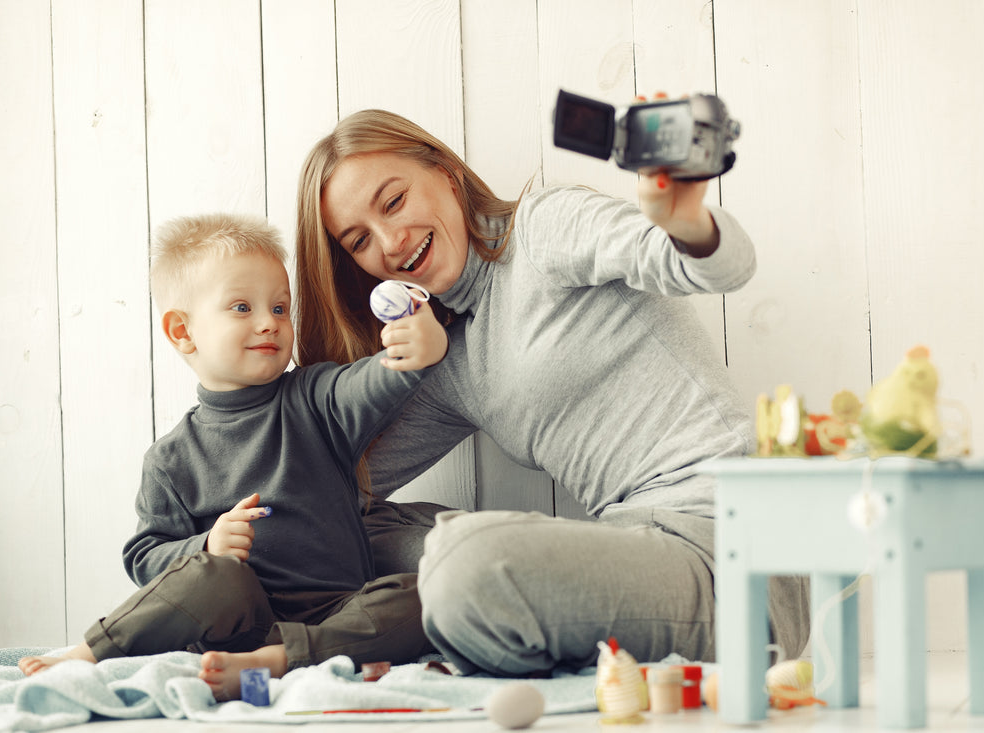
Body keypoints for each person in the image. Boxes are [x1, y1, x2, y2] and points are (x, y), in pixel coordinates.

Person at [294, 107, 810, 676]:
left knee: (463, 565)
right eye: (359, 240)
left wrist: (684, 220)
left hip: (736, 552)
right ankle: (486, 624)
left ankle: (474, 623)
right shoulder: (446, 361)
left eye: (393, 202)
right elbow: (333, 492)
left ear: (443, 172)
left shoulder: (543, 229)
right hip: (631, 549)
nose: (391, 242)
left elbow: (719, 268)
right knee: (349, 534)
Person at [18, 213, 448, 699]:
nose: (269, 322)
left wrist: (419, 349)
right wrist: (206, 545)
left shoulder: (314, 398)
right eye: (242, 307)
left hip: (338, 612)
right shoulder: (171, 460)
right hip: (235, 623)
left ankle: (277, 661)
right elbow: (144, 556)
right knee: (214, 575)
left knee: (422, 591)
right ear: (183, 332)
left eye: (281, 308)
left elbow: (377, 378)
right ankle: (90, 653)